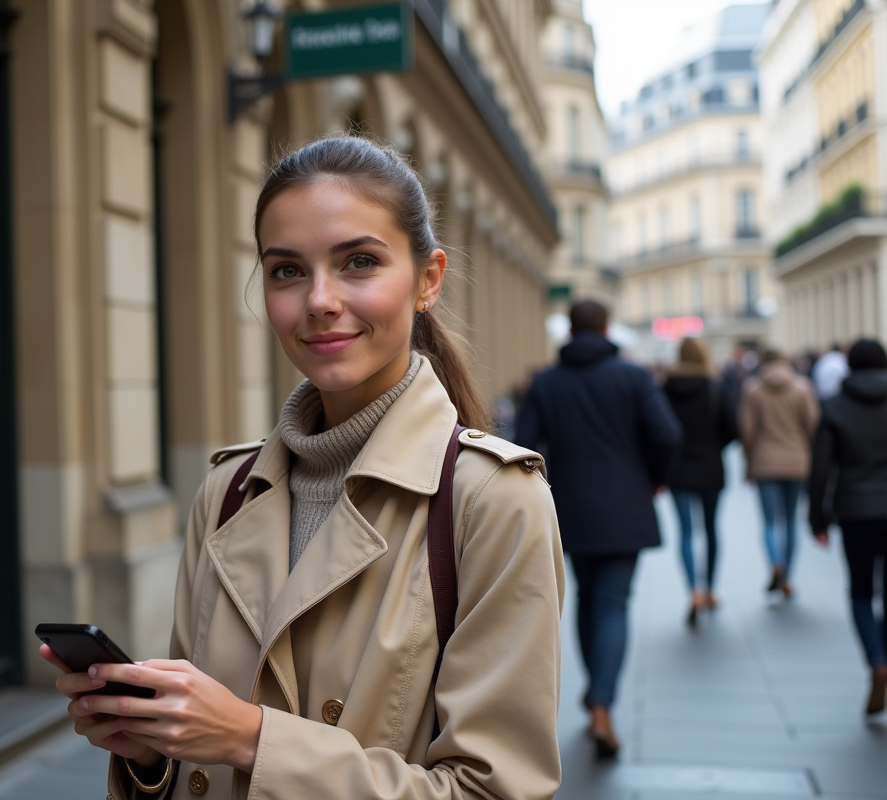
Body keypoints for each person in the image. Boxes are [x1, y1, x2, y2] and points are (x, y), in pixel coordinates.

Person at [40, 137, 566, 799]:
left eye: (359, 262)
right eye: (287, 270)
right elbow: (196, 768)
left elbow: (494, 791)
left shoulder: (491, 500)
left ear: (428, 279)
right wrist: (154, 754)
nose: (319, 299)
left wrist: (251, 740)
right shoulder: (227, 492)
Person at [515, 300, 681, 758]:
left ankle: (596, 699)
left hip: (568, 506)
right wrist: (653, 476)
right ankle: (603, 703)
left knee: (588, 599)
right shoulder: (633, 377)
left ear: (570, 330)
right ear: (607, 328)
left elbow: (522, 445)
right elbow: (666, 434)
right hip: (625, 503)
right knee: (613, 604)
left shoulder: (546, 382)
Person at [808, 338, 887, 715]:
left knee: (859, 592)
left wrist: (817, 518)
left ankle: (876, 661)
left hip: (855, 510)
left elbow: (821, 468)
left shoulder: (834, 406)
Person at [662, 337, 738, 626]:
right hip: (710, 467)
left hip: (678, 469)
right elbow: (733, 429)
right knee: (710, 529)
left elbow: (658, 429)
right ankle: (710, 589)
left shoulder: (665, 389)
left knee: (685, 532)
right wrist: (713, 445)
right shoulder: (716, 388)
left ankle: (692, 589)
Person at [741, 350, 819, 597]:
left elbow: (747, 430)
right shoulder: (802, 387)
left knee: (770, 522)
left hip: (765, 461)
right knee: (790, 521)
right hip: (797, 460)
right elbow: (813, 424)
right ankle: (787, 577)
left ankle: (776, 563)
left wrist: (749, 462)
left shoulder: (753, 389)